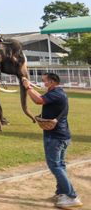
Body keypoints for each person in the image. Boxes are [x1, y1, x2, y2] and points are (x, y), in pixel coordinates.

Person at [22, 73, 83, 209]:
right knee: (60, 165)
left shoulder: (56, 94)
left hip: (55, 137)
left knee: (55, 166)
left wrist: (27, 88)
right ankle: (62, 192)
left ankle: (72, 196)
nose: (42, 83)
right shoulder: (58, 93)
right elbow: (41, 97)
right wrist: (30, 87)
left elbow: (38, 100)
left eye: (44, 81)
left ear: (52, 82)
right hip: (61, 136)